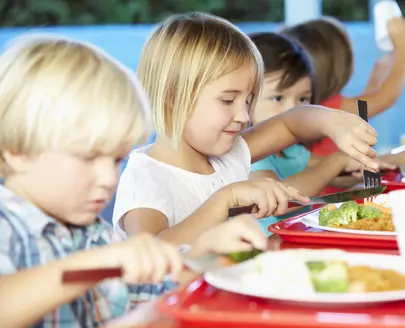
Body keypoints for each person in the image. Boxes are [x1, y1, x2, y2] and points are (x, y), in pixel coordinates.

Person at [0, 33, 266, 328]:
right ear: (17, 151)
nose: (108, 178)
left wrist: (201, 256)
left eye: (116, 160)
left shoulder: (92, 234)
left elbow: (146, 291)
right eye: (88, 158)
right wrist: (93, 266)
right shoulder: (7, 227)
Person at [112, 12, 380, 245]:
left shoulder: (228, 156)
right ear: (173, 97)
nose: (243, 115)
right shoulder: (146, 178)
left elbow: (290, 124)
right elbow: (150, 251)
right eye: (228, 100)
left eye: (249, 100)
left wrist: (332, 122)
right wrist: (225, 199)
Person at [247, 32, 405, 232]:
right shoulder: (250, 154)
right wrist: (337, 160)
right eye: (278, 98)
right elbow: (281, 200)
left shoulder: (290, 150)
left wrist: (394, 160)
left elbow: (334, 174)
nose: (293, 109)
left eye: (302, 99)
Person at [280, 16, 405, 157]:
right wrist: (403, 48)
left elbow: (362, 111)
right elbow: (387, 97)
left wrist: (374, 83)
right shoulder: (329, 109)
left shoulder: (308, 107)